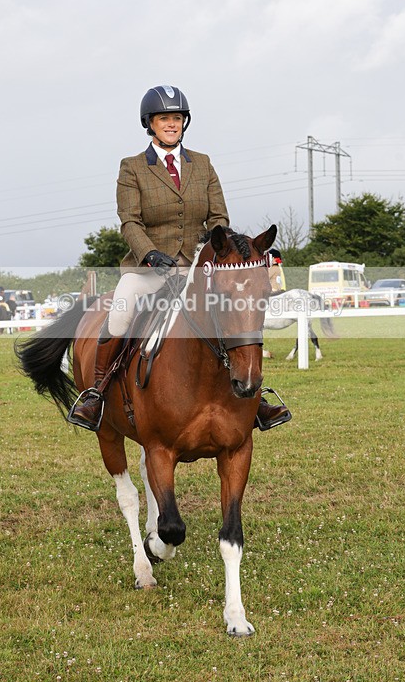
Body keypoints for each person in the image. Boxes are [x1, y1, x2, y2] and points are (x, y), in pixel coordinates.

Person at [69, 84, 290, 432]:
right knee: (122, 308)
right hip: (149, 268)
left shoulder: (202, 164)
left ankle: (255, 398)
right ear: (150, 124)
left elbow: (218, 217)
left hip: (198, 268)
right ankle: (96, 393)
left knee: (236, 313)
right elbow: (130, 221)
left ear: (184, 122)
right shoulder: (132, 168)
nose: (171, 124)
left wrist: (221, 249)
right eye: (163, 118)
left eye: (176, 118)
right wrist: (149, 253)